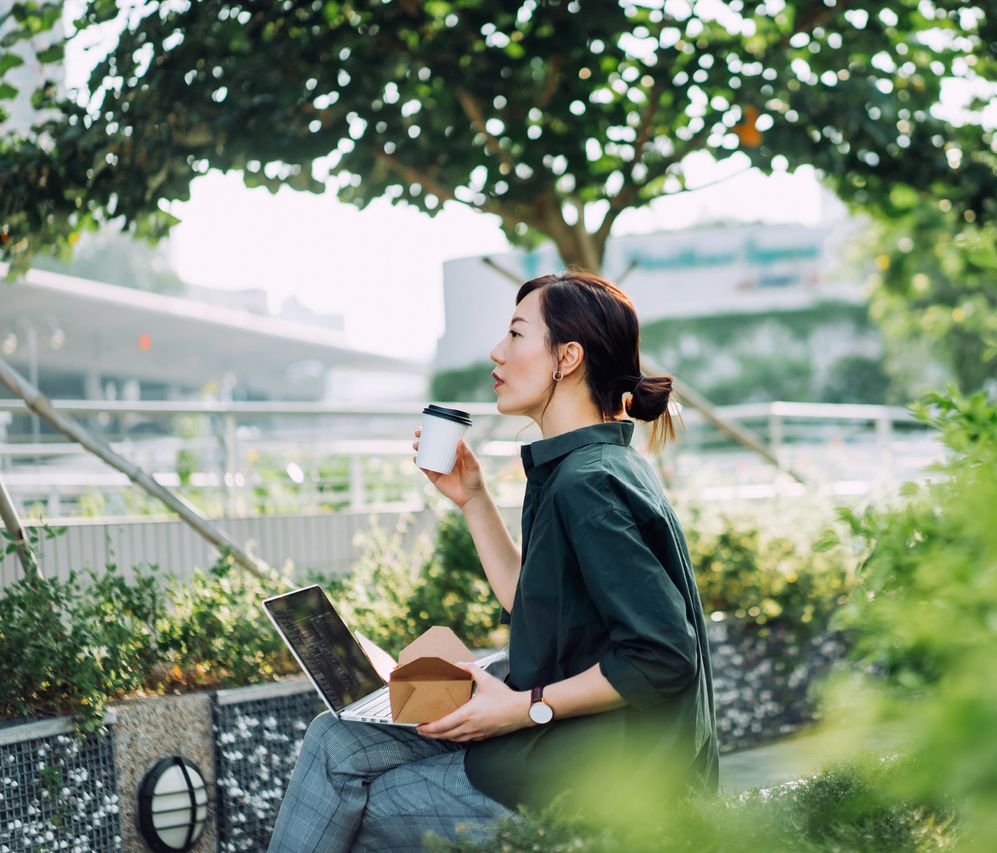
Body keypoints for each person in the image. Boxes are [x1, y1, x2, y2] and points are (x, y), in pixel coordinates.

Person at [267, 271, 719, 852]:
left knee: (363, 809)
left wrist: (521, 709)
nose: (496, 352)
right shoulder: (583, 465)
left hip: (604, 773)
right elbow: (530, 601)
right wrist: (474, 499)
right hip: (567, 741)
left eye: (515, 333)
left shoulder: (588, 484)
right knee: (337, 739)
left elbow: (662, 659)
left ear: (567, 358)